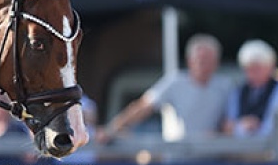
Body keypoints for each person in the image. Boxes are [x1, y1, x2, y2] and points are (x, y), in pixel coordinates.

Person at [99, 34, 232, 144]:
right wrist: (112, 128)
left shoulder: (224, 86)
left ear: (217, 62)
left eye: (210, 61)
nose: (205, 66)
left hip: (212, 159)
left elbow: (230, 122)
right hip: (177, 157)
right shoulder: (175, 82)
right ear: (190, 61)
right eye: (201, 61)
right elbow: (144, 106)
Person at [223, 39, 278, 139]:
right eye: (249, 68)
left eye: (258, 67)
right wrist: (242, 126)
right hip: (240, 150)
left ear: (270, 67)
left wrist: (255, 128)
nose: (253, 72)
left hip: (270, 149)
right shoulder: (238, 92)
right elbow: (229, 125)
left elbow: (275, 125)